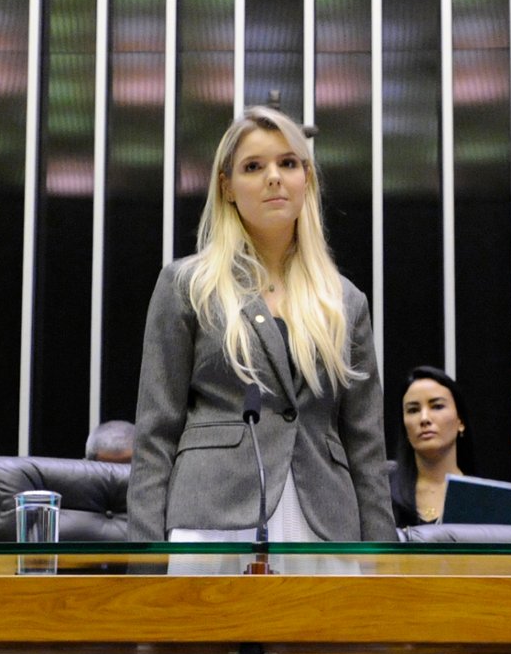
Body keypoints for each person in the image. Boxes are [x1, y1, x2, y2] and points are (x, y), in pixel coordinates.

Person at [127, 105, 393, 545]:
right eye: (254, 166)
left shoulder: (345, 300)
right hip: (212, 515)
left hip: (325, 522)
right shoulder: (186, 285)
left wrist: (383, 556)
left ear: (305, 179)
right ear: (227, 186)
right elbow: (155, 433)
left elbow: (366, 444)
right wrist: (144, 557)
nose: (274, 176)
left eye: (288, 163)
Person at [390, 365, 473, 527]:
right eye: (413, 410)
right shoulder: (381, 492)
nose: (424, 418)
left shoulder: (485, 500)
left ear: (460, 421)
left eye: (437, 406)